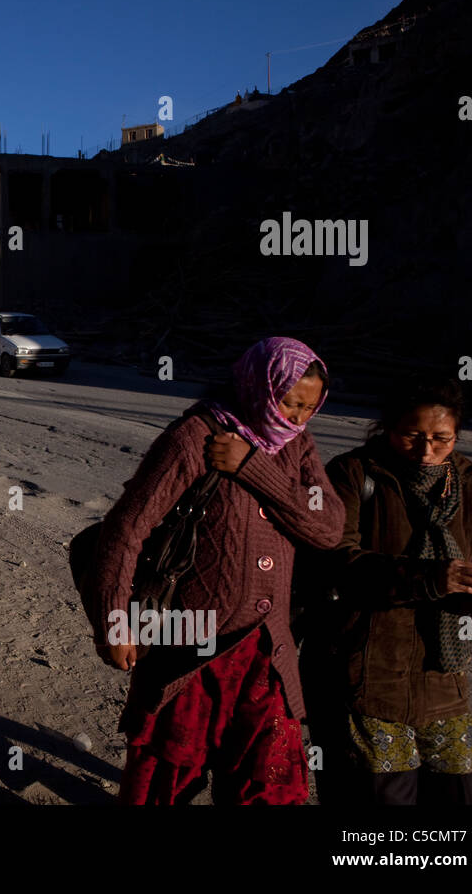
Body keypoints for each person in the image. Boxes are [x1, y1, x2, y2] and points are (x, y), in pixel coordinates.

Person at [86, 336, 346, 804]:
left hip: (266, 649)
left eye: (310, 408)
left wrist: (253, 469)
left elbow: (328, 527)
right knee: (164, 780)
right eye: (289, 403)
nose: (297, 418)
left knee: (271, 784)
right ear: (259, 385)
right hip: (189, 642)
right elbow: (127, 526)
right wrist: (114, 621)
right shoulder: (194, 437)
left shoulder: (297, 447)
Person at [301, 377, 472, 805]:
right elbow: (335, 559)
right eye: (412, 436)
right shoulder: (353, 473)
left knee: (462, 794)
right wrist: (431, 578)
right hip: (367, 666)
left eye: (441, 438)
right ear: (387, 428)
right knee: (379, 798)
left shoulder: (470, 481)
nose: (427, 450)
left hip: (443, 673)